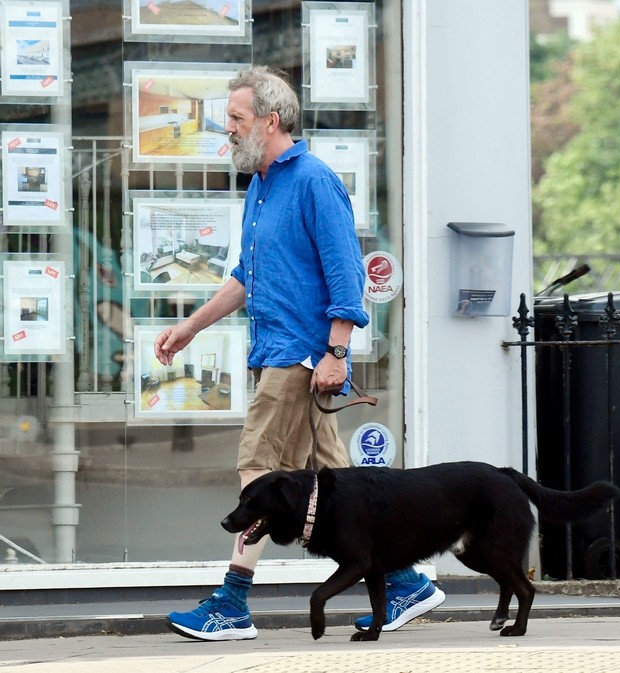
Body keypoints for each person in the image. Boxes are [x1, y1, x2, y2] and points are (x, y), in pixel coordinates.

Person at [154, 65, 445, 642]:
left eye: (236, 119)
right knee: (335, 481)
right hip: (279, 352)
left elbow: (345, 274)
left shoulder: (313, 180)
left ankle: (232, 602)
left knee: (257, 471)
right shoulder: (262, 184)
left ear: (270, 119)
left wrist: (338, 350)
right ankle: (405, 581)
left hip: (301, 357)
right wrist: (191, 326)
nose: (228, 129)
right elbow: (247, 277)